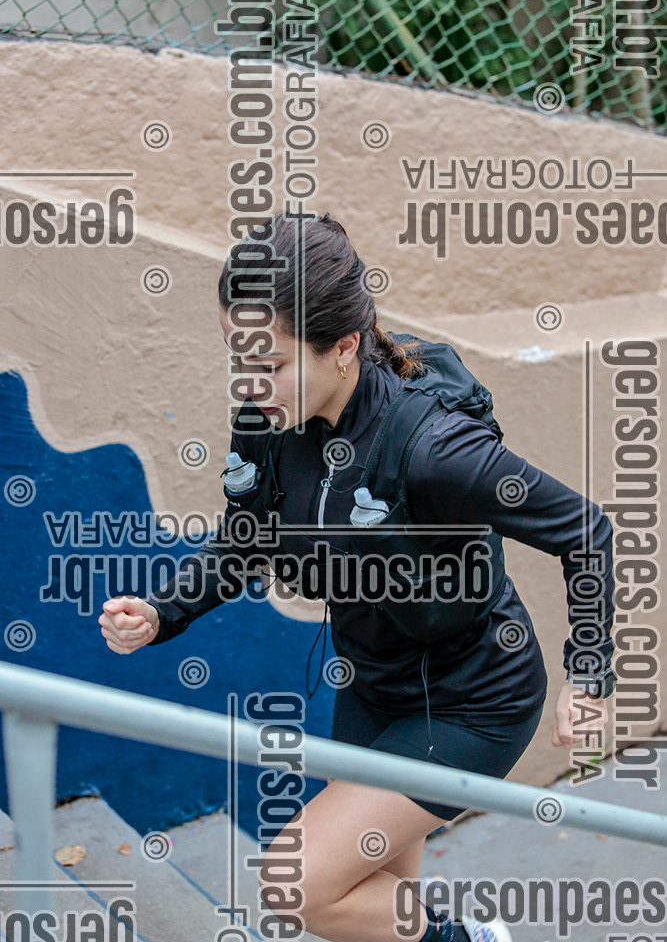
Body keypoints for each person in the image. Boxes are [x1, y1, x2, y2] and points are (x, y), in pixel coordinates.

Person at [99, 211, 617, 942]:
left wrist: (588, 677)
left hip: (471, 699)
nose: (249, 383)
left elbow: (585, 530)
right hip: (371, 684)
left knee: (297, 884)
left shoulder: (435, 448)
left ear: (344, 346)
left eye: (271, 364)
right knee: (371, 903)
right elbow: (248, 539)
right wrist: (163, 612)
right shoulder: (269, 419)